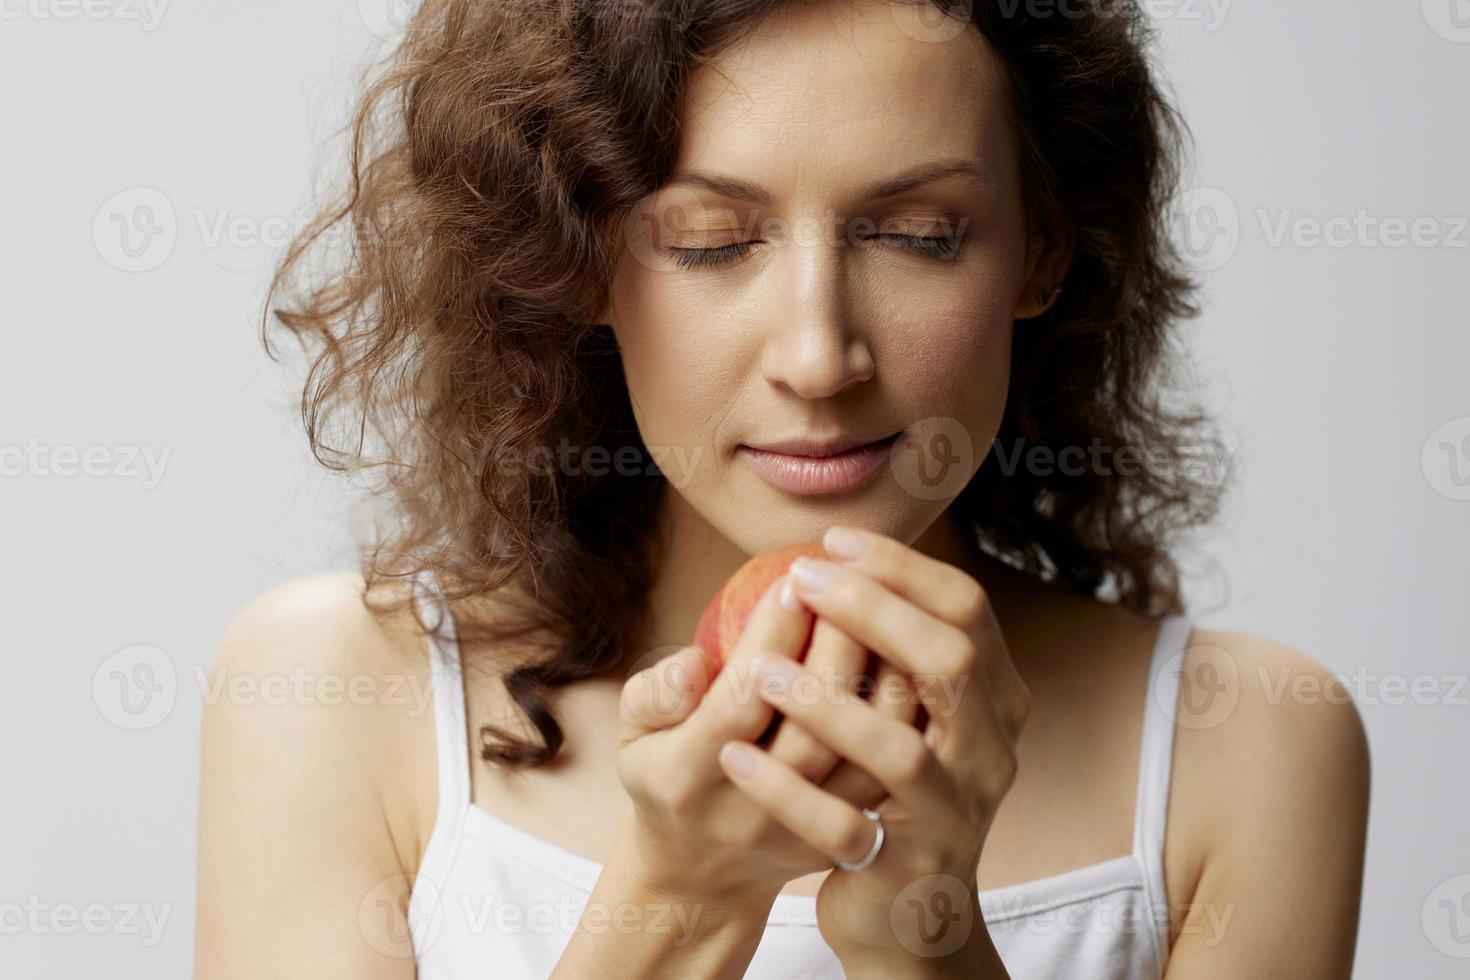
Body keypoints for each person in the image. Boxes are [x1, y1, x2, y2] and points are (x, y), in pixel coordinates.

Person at [194, 1, 1370, 977]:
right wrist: (677, 898)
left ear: (1043, 251)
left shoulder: (1249, 745)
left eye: (918, 234)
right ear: (580, 260)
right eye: (709, 241)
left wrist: (932, 946)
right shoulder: (338, 691)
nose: (820, 355)